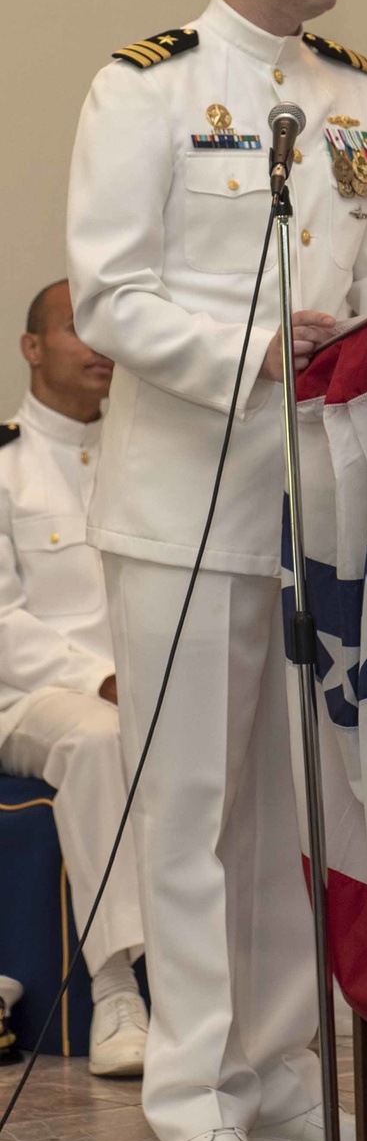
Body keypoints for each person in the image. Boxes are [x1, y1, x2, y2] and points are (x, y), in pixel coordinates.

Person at [67, 0, 367, 1141]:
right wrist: (261, 348)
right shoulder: (149, 87)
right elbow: (108, 293)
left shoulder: (354, 95)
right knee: (193, 812)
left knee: (301, 811)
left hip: (320, 506)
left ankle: (284, 1072)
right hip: (182, 510)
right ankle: (194, 1089)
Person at [0, 280, 146, 1073]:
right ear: (31, 348)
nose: (98, 347)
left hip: (150, 687)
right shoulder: (6, 466)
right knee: (100, 739)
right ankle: (118, 993)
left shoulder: (145, 460)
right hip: (29, 700)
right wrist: (103, 680)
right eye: (75, 330)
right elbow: (1, 625)